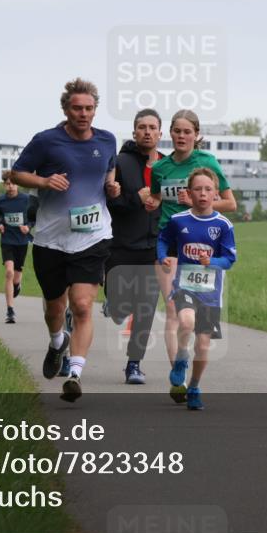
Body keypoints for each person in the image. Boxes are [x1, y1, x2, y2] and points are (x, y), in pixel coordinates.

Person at [11, 77, 120, 402]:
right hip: (51, 239)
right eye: (77, 108)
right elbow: (16, 174)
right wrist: (44, 181)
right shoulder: (46, 141)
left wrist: (112, 187)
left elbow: (108, 172)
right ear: (65, 109)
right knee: (55, 308)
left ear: (95, 109)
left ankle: (74, 373)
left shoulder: (107, 140)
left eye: (88, 108)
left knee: (83, 304)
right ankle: (57, 340)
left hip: (93, 236)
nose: (83, 114)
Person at [144, 110, 236, 396]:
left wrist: (197, 201)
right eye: (177, 131)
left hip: (202, 247)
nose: (182, 137)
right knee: (174, 310)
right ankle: (179, 378)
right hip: (172, 242)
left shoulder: (206, 163)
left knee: (196, 323)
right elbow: (157, 197)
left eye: (187, 132)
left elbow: (229, 203)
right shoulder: (161, 168)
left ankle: (185, 373)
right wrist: (151, 201)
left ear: (196, 135)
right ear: (169, 133)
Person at [157, 168, 236, 410]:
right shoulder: (178, 220)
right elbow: (162, 240)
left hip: (211, 293)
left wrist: (210, 262)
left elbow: (229, 260)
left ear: (215, 194)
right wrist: (164, 257)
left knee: (202, 345)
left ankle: (194, 386)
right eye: (198, 189)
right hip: (185, 286)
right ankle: (181, 357)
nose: (203, 194)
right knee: (186, 321)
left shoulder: (223, 225)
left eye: (208, 189)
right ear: (189, 193)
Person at [105, 108, 165, 384]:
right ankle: (114, 305)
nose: (148, 132)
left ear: (160, 133)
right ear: (134, 132)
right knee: (119, 309)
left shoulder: (167, 166)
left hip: (154, 248)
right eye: (142, 127)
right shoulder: (119, 162)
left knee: (147, 306)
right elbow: (109, 203)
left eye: (153, 127)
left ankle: (134, 364)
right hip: (120, 245)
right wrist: (135, 199)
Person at [0, 171, 36, 324]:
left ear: (17, 184)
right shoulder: (0, 201)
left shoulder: (26, 200)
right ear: (4, 184)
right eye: (8, 184)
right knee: (9, 272)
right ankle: (10, 310)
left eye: (13, 183)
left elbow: (33, 217)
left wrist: (28, 227)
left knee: (16, 276)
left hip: (22, 241)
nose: (10, 186)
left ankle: (17, 285)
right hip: (7, 240)